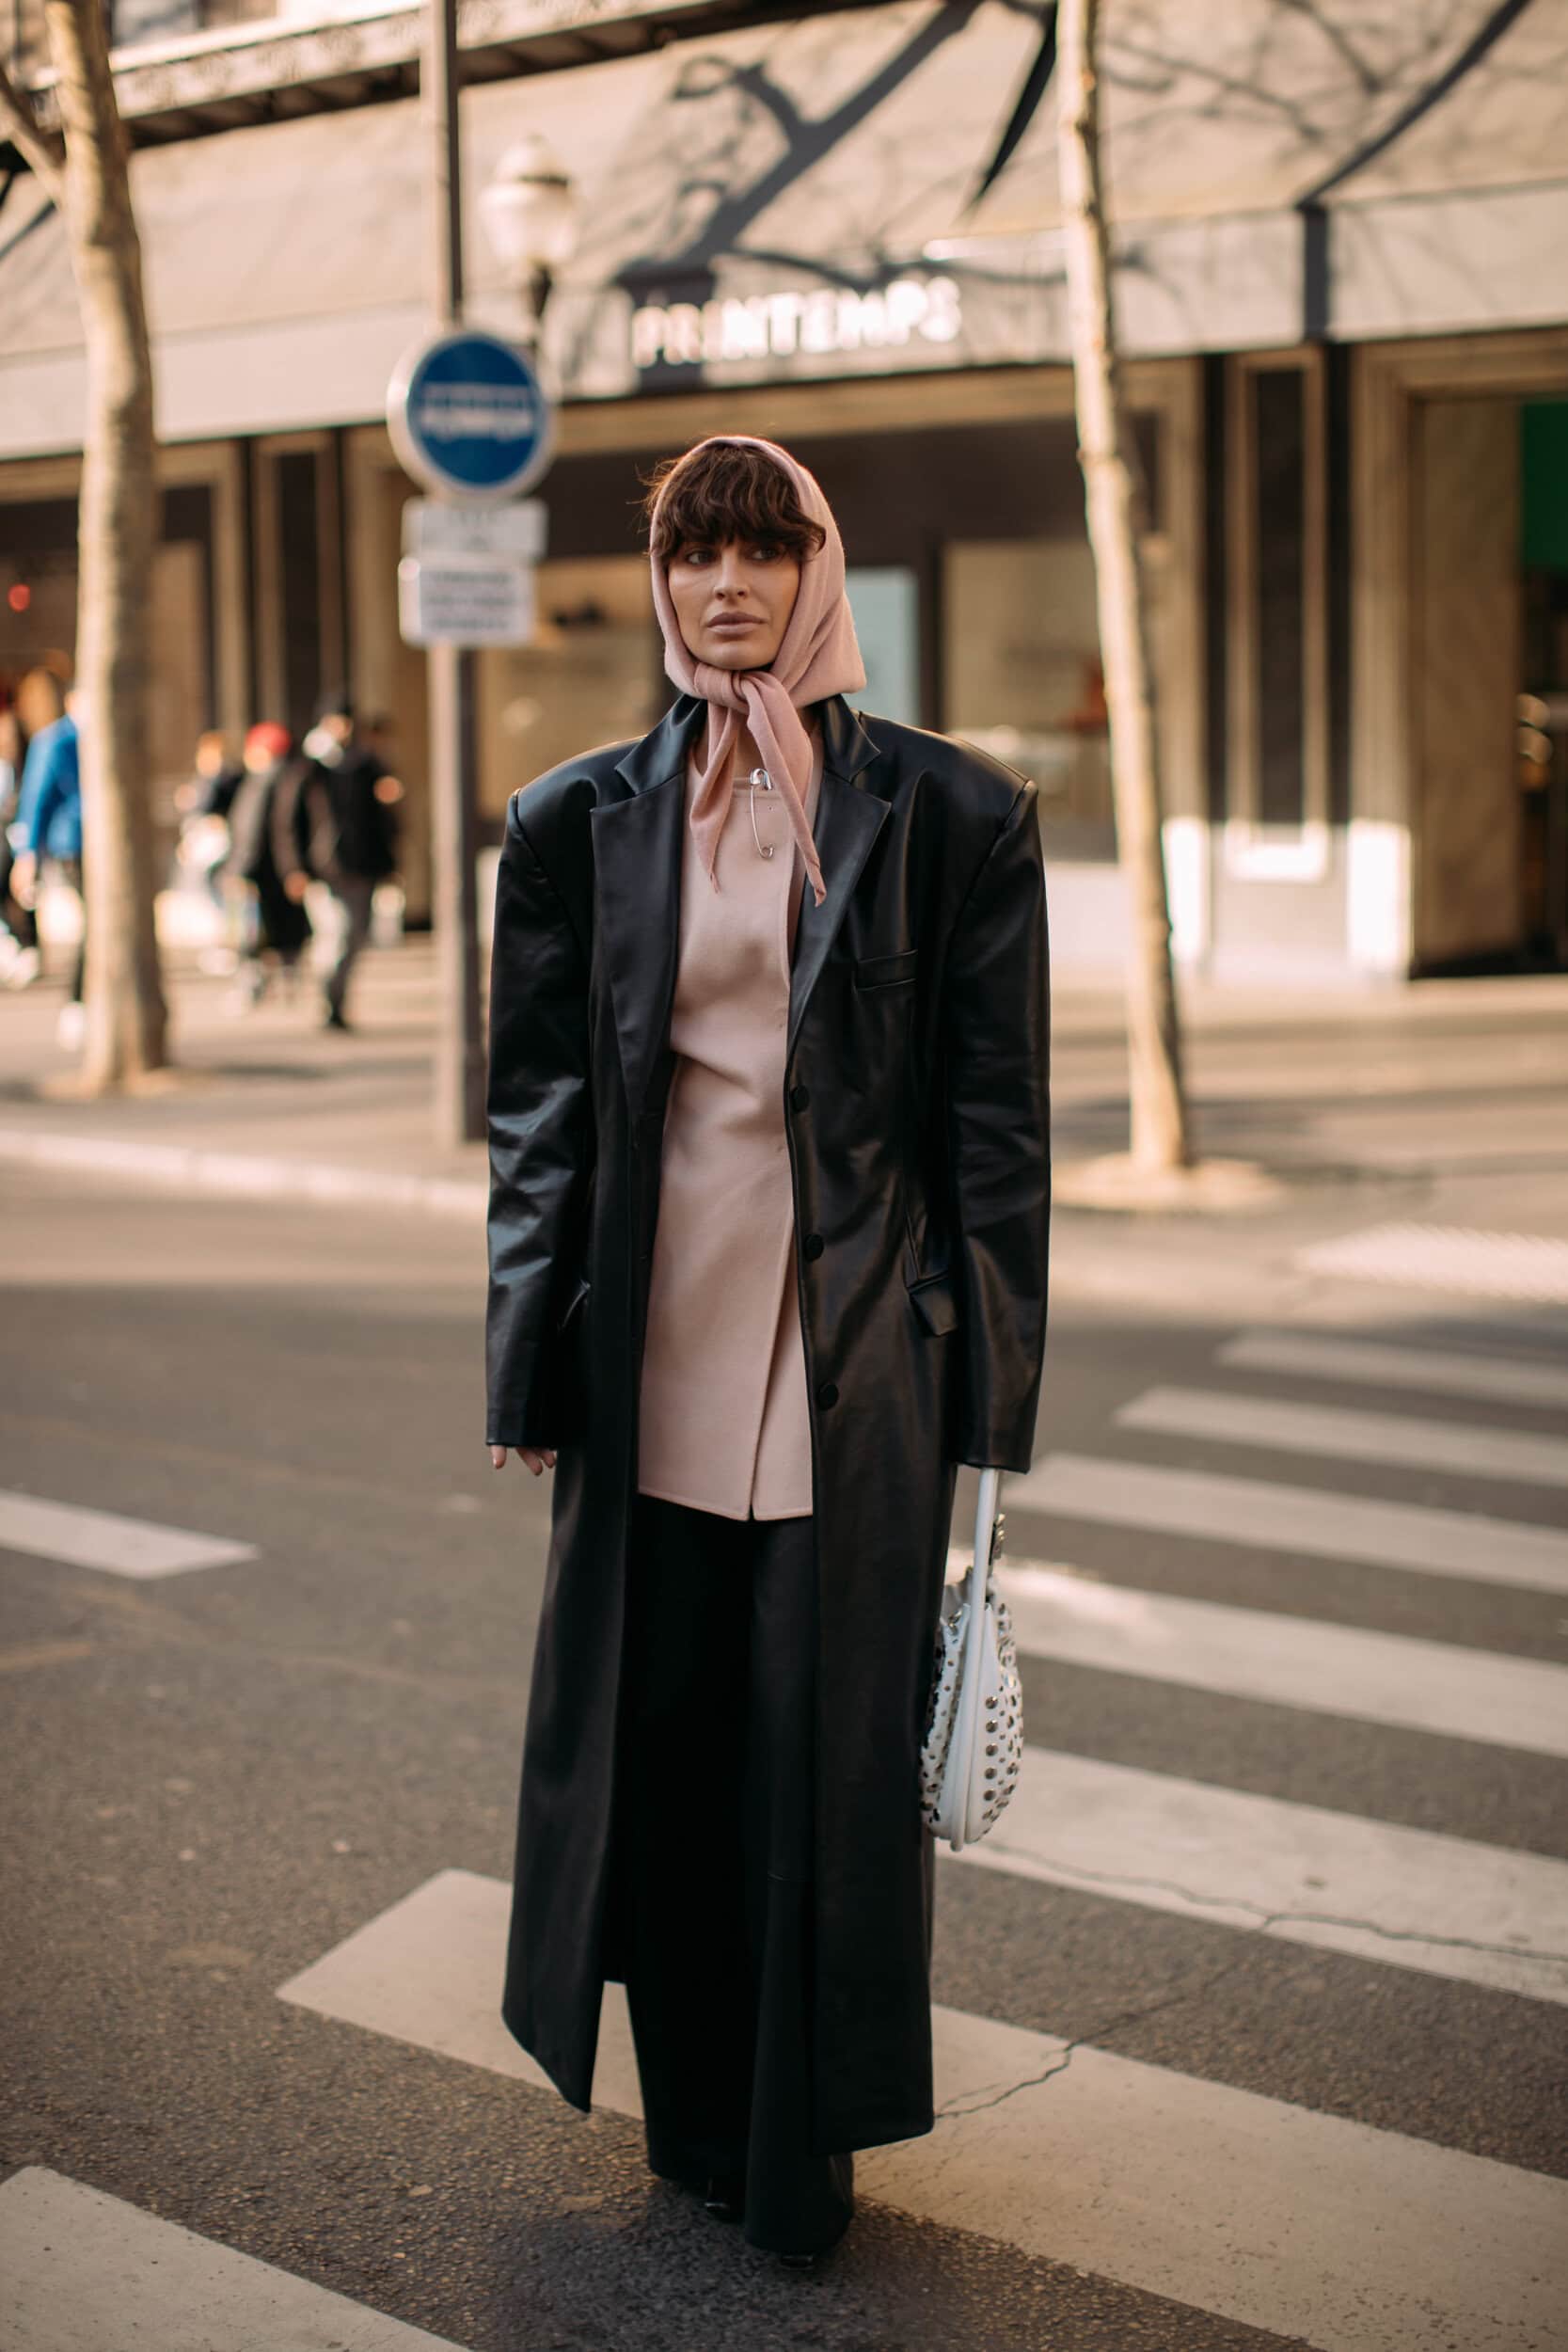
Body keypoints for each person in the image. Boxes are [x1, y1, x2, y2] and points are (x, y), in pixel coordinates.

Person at [484, 437, 1050, 2265]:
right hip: (650, 1349)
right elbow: (544, 1115)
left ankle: (800, 2150)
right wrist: (522, 1357)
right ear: (657, 578)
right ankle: (696, 2116)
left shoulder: (952, 815)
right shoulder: (574, 819)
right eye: (690, 550)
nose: (724, 583)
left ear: (815, 566)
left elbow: (993, 1126)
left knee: (813, 1763)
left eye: (760, 545)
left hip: (850, 1366)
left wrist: (986, 1404)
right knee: (669, 1749)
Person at [278, 692, 400, 1031]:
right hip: (324, 870)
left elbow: (385, 820)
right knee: (337, 934)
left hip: (362, 867)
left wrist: (389, 862)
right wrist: (295, 869)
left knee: (355, 937)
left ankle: (336, 1001)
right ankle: (326, 998)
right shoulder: (310, 767)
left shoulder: (367, 765)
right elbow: (288, 822)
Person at [12, 684, 85, 1048]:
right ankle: (77, 1001)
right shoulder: (55, 741)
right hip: (74, 844)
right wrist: (27, 854)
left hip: (95, 840)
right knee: (93, 924)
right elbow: (36, 800)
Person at [221, 722, 312, 1009]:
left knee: (252, 937)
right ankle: (286, 987)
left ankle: (256, 989)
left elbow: (253, 831)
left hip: (260, 874)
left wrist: (240, 870)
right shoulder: (289, 778)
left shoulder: (265, 782)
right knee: (280, 937)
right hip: (276, 873)